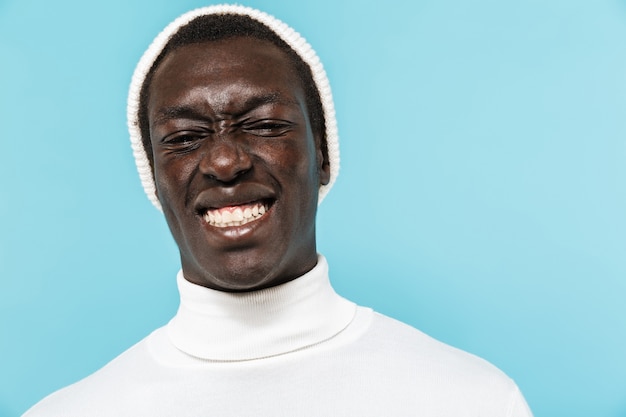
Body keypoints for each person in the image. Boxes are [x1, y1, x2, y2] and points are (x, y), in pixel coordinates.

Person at [23, 5, 533, 416]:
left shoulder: (472, 400)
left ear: (324, 154)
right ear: (153, 177)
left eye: (264, 125)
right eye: (183, 137)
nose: (224, 160)